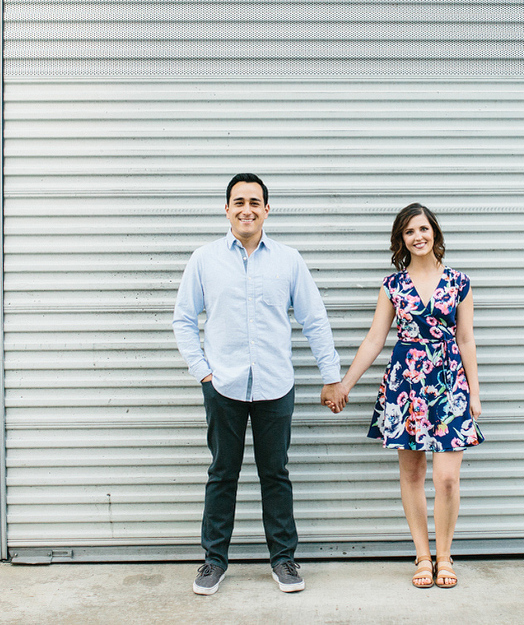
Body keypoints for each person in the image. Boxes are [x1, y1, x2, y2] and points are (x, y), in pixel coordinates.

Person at [174, 173, 344, 596]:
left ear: (267, 208)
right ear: (226, 209)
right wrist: (203, 372)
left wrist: (332, 375)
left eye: (254, 201)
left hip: (275, 385)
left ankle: (283, 559)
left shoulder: (288, 260)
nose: (246, 208)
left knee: (276, 474)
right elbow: (183, 318)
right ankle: (213, 561)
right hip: (223, 386)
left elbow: (314, 319)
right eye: (238, 201)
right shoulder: (204, 259)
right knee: (221, 474)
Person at [327, 203, 482, 589]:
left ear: (435, 234)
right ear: (402, 239)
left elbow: (466, 339)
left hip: (449, 385)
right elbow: (375, 339)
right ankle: (423, 556)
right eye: (410, 231)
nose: (419, 236)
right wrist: (345, 384)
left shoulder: (459, 282)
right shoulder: (393, 285)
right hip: (406, 384)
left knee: (446, 478)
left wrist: (474, 394)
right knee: (412, 473)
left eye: (424, 229)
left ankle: (445, 555)